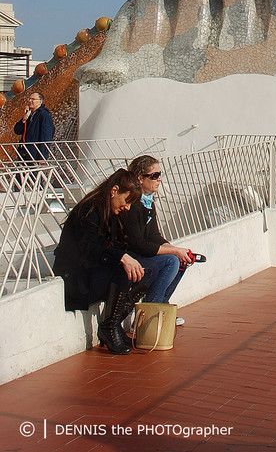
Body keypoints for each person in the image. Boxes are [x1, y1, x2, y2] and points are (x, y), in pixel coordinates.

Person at [53, 169, 157, 354]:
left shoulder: (111, 212)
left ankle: (113, 324)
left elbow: (117, 244)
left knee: (146, 270)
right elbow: (89, 249)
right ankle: (109, 327)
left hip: (93, 271)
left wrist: (126, 257)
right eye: (126, 201)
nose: (126, 208)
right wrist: (121, 257)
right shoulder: (89, 211)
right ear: (114, 190)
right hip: (76, 277)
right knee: (123, 271)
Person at [121, 155, 194, 324]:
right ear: (140, 178)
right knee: (171, 261)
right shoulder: (133, 204)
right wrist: (174, 251)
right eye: (154, 175)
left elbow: (153, 235)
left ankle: (161, 307)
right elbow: (138, 244)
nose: (159, 179)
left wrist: (178, 251)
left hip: (141, 254)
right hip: (130, 257)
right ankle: (148, 317)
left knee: (180, 260)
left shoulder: (147, 202)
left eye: (159, 174)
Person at [13, 91, 54, 161]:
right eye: (29, 99)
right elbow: (17, 130)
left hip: (35, 154)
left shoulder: (44, 114)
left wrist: (43, 156)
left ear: (40, 102)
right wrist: (24, 118)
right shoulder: (29, 115)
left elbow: (46, 136)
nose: (30, 101)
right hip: (24, 152)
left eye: (33, 99)